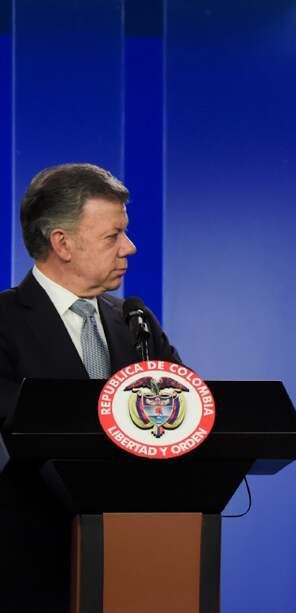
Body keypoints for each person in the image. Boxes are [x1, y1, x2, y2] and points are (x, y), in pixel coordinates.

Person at [0, 163, 181, 610]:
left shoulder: (134, 323)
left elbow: (184, 413)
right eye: (113, 235)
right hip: (27, 566)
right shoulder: (4, 324)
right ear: (61, 243)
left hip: (136, 559)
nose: (130, 247)